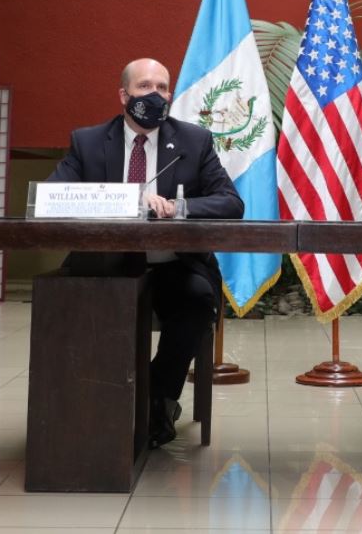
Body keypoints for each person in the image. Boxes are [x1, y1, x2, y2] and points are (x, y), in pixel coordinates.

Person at [47, 57, 243, 448]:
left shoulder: (193, 140)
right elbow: (53, 198)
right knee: (71, 299)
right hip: (110, 263)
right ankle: (88, 399)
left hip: (174, 263)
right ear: (124, 95)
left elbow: (230, 203)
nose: (155, 95)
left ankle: (155, 399)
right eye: (144, 87)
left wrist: (178, 206)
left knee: (197, 300)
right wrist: (127, 199)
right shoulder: (87, 141)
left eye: (162, 88)